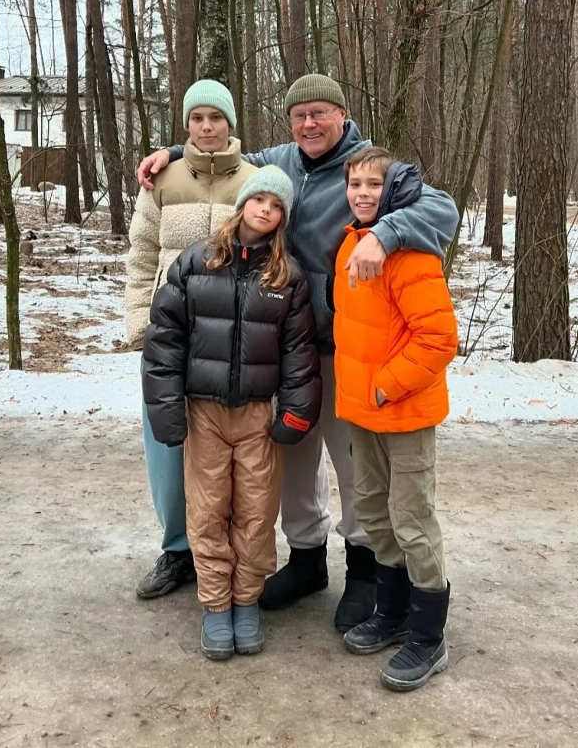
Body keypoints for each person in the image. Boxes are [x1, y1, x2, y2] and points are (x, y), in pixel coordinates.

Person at [136, 74, 460, 632]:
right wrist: (171, 152)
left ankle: (364, 569)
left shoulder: (370, 168)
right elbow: (226, 157)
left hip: (345, 349)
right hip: (283, 351)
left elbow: (444, 211)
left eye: (320, 113)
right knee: (293, 463)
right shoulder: (279, 160)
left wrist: (385, 234)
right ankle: (307, 559)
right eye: (299, 115)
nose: (309, 124)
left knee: (354, 467)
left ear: (342, 115)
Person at [142, 169, 321, 660]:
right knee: (207, 510)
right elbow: (165, 341)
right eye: (259, 199)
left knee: (257, 512)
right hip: (205, 414)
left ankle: (246, 600)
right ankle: (217, 604)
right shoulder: (195, 262)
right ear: (242, 203)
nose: (266, 209)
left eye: (276, 205)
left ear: (283, 218)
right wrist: (166, 408)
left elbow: (300, 353)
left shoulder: (287, 276)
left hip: (258, 417)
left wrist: (296, 413)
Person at [126, 79, 259, 601]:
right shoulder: (161, 180)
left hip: (230, 341)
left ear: (230, 123)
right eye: (197, 118)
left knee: (227, 453)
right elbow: (141, 255)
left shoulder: (253, 181)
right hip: (170, 336)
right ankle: (177, 549)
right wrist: (141, 323)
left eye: (216, 117)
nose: (207, 127)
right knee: (166, 444)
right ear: (186, 124)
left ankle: (223, 550)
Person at [333, 147, 458, 691]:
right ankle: (393, 611)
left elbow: (438, 339)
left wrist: (385, 387)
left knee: (411, 519)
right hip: (363, 414)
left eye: (373, 184)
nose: (362, 193)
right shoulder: (350, 244)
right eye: (354, 184)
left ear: (394, 191)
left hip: (403, 412)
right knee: (373, 512)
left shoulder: (410, 254)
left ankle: (429, 636)